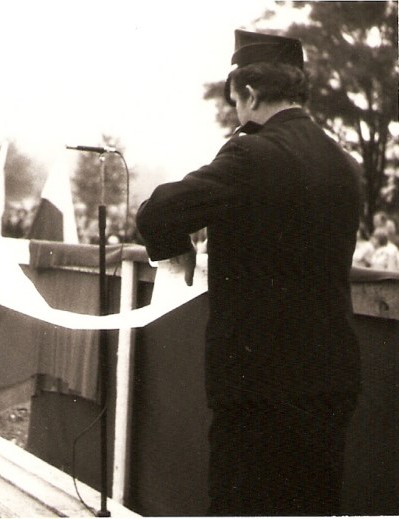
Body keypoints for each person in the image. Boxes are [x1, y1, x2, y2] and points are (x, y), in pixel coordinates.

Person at [136, 30, 361, 516]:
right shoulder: (344, 164)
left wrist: (178, 249)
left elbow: (158, 212)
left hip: (259, 387)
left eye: (236, 100)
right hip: (331, 378)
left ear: (251, 94)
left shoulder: (250, 154)